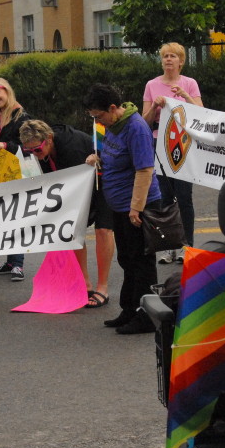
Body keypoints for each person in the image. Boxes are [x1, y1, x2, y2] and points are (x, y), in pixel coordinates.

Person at [83, 84, 161, 334]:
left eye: (99, 116)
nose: (97, 121)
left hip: (137, 207)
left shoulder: (135, 128)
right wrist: (99, 159)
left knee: (142, 262)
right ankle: (129, 310)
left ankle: (147, 316)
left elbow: (144, 170)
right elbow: (118, 157)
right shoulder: (114, 126)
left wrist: (136, 208)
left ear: (113, 108)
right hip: (120, 205)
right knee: (127, 259)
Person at [19, 119, 116, 309]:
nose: (34, 155)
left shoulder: (71, 147)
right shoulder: (45, 148)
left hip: (103, 182)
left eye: (37, 150)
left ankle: (102, 288)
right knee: (73, 231)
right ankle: (85, 284)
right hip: (77, 185)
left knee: (103, 230)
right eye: (29, 152)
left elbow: (76, 186)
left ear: (48, 139)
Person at [141, 42, 202, 264]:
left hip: (183, 142)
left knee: (184, 197)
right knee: (164, 196)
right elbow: (144, 121)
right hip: (159, 142)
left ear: (181, 61)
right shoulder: (151, 85)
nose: (168, 59)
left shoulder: (190, 83)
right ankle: (169, 246)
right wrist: (154, 108)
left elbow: (202, 114)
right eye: (165, 56)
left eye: (173, 56)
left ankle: (188, 245)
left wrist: (185, 95)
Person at [0, 78, 33, 282]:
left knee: (16, 218)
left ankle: (18, 264)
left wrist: (6, 145)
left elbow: (30, 143)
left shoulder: (22, 116)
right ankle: (10, 261)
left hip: (17, 172)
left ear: (7, 90)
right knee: (4, 217)